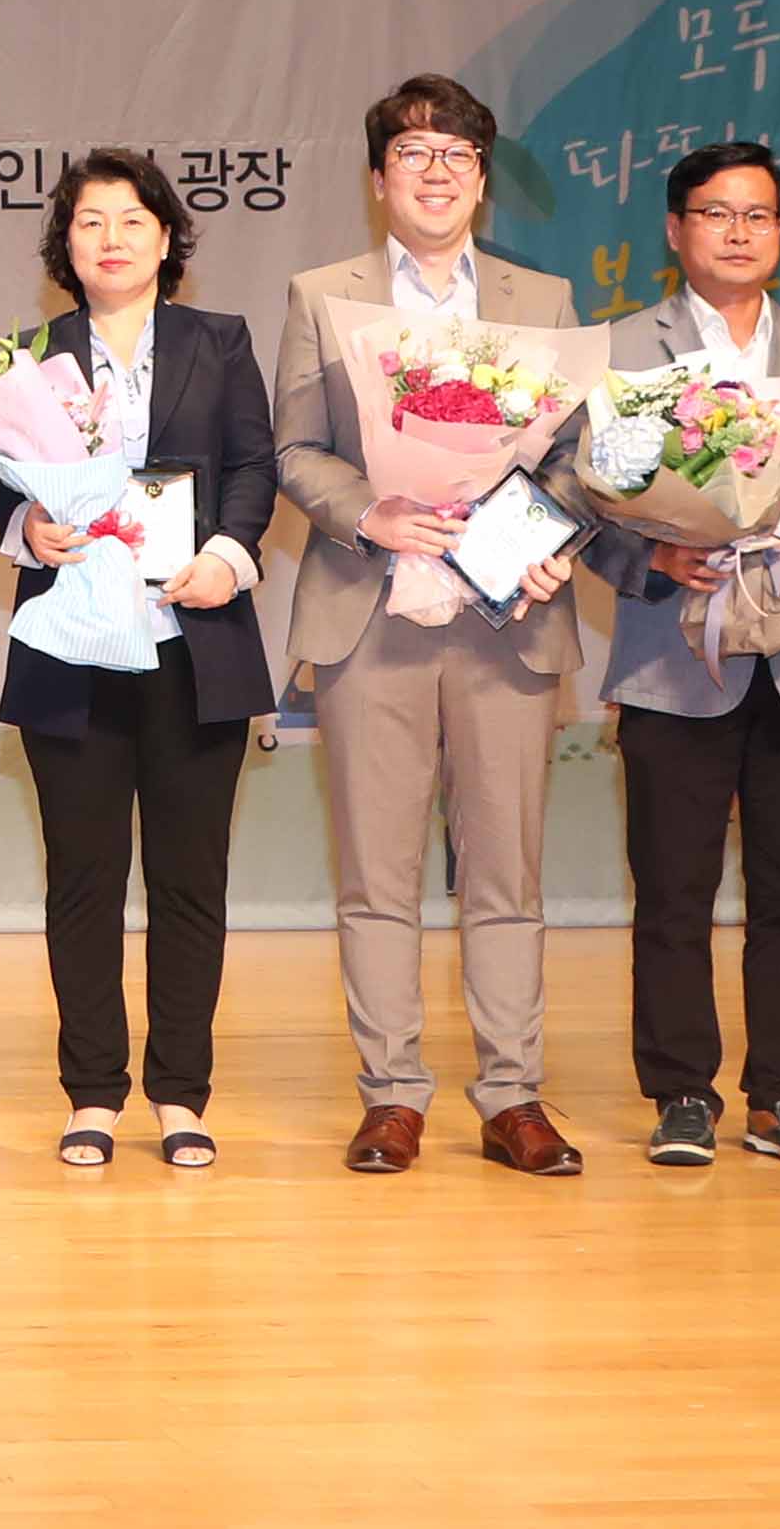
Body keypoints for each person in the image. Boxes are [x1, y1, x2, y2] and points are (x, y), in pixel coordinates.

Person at [272, 73, 594, 1179]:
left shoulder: (540, 298)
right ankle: (391, 1096)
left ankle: (512, 1095)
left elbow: (576, 457)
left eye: (457, 153)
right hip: (373, 613)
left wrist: (543, 538)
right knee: (377, 873)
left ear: (482, 179)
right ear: (378, 180)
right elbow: (295, 448)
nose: (436, 171)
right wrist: (373, 512)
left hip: (509, 617)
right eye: (412, 152)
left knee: (507, 873)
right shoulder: (322, 295)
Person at [580, 142, 780, 1169]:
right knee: (672, 896)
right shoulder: (621, 349)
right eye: (716, 214)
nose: (738, 232)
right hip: (676, 658)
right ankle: (681, 1094)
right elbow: (578, 502)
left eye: (757, 215)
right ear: (675, 230)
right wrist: (654, 556)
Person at [0, 149, 274, 1172]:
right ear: (64, 244)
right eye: (89, 221)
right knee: (83, 878)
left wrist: (228, 557)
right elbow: (1, 485)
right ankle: (93, 1093)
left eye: (131, 220)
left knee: (191, 880)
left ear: (165, 237)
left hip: (195, 640)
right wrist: (26, 527)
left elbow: (252, 465)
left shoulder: (219, 341)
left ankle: (182, 1094)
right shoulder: (30, 357)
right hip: (71, 647)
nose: (110, 238)